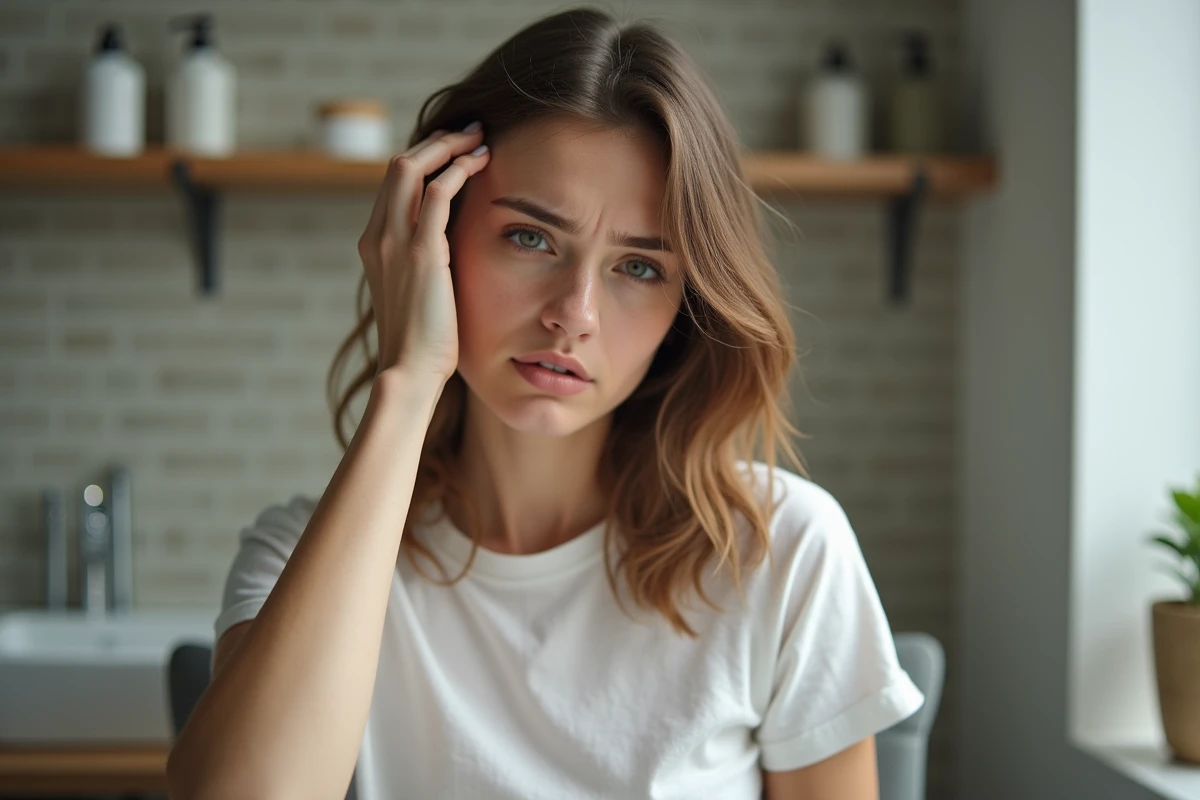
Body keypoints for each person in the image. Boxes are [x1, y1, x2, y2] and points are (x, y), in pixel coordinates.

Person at [165, 7, 924, 800]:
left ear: (684, 309)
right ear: (434, 240)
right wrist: (408, 384)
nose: (574, 315)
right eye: (531, 238)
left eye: (639, 268)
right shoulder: (307, 554)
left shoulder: (782, 550)